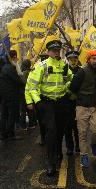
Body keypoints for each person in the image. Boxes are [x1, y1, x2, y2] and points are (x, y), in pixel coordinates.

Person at [27, 40, 73, 176]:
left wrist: (68, 86)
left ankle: (58, 151)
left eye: (58, 50)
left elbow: (70, 79)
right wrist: (38, 101)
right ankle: (51, 162)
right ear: (48, 52)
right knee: (51, 131)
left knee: (60, 131)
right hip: (46, 103)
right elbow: (32, 86)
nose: (56, 53)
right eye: (53, 50)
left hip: (61, 103)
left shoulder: (64, 65)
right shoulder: (42, 66)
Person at [69, 50, 96, 167]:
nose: (95, 61)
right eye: (93, 59)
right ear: (88, 59)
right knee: (82, 133)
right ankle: (84, 155)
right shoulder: (82, 71)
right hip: (82, 107)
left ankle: (94, 144)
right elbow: (72, 87)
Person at [0, 50, 24, 141]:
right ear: (13, 57)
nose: (17, 59)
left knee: (4, 115)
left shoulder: (4, 67)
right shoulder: (11, 68)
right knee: (12, 115)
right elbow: (18, 81)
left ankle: (3, 134)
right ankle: (10, 134)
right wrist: (23, 83)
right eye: (16, 57)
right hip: (12, 95)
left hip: (4, 95)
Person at [25, 54, 49, 145]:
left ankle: (50, 138)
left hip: (51, 100)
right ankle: (43, 137)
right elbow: (28, 87)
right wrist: (29, 102)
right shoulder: (34, 70)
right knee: (42, 122)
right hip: (39, 101)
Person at [61, 50, 81, 156]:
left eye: (75, 59)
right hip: (66, 101)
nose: (73, 61)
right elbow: (60, 85)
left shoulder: (81, 70)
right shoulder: (63, 70)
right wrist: (69, 88)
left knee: (78, 126)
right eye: (71, 60)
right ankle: (69, 147)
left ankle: (78, 145)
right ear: (68, 60)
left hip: (78, 102)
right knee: (67, 126)